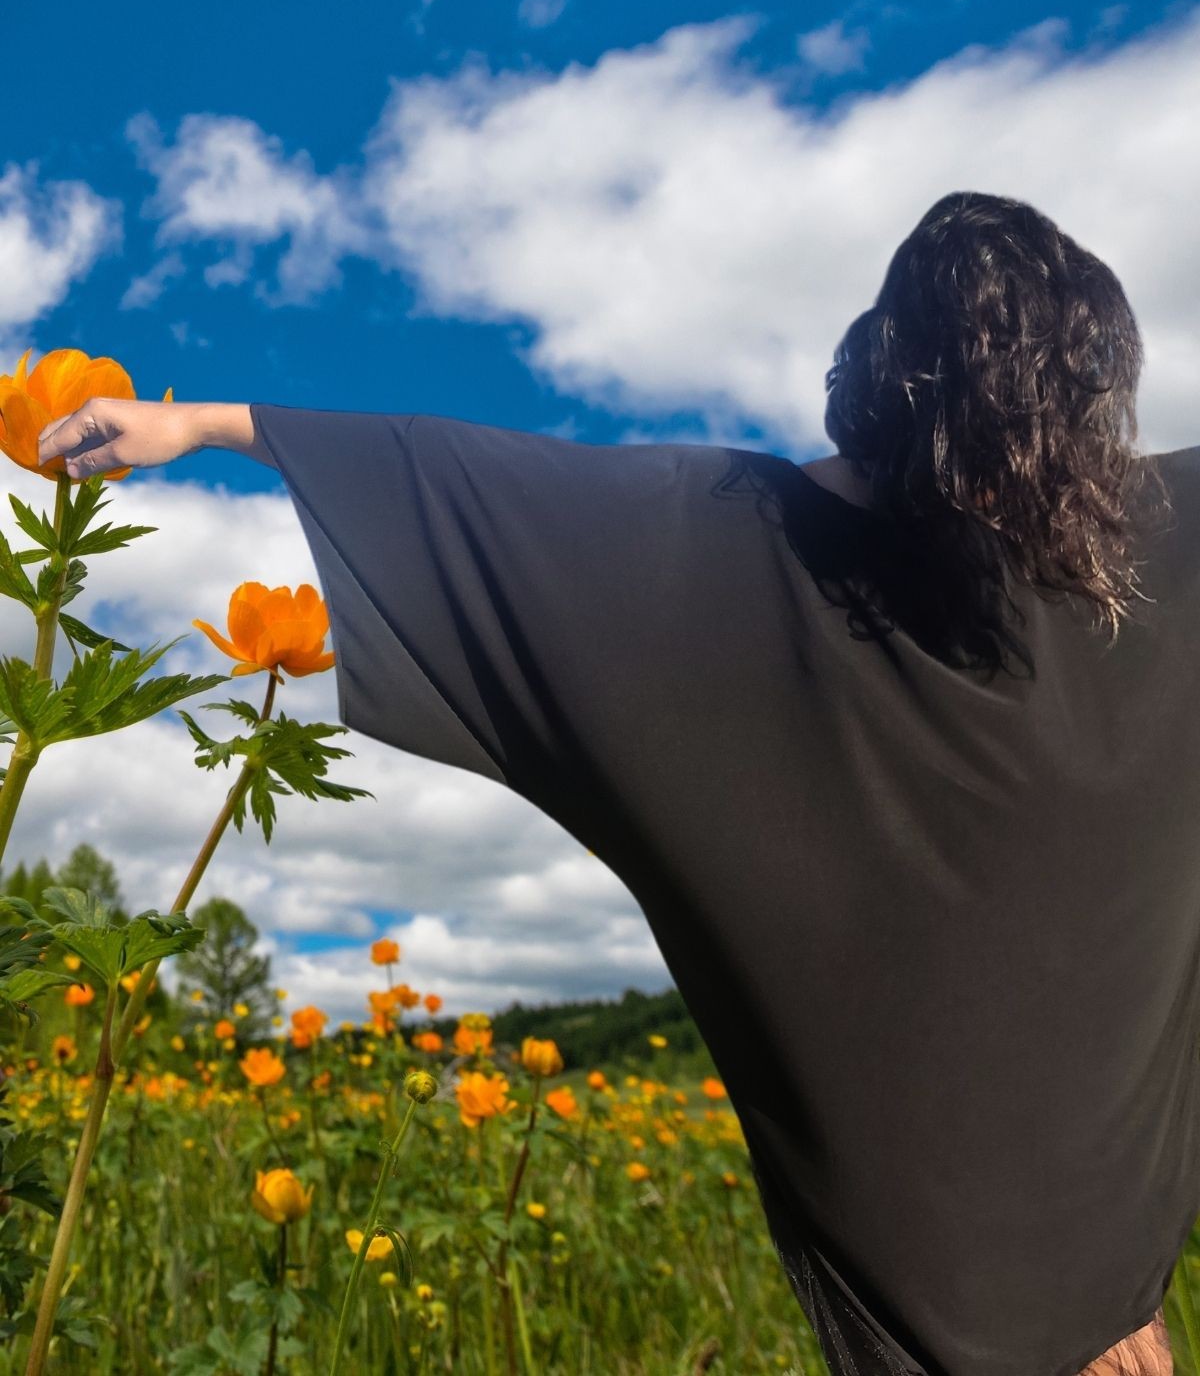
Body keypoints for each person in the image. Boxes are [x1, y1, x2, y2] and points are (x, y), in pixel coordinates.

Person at [35, 193, 1194, 1376]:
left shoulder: (1135, 546)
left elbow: (489, 489)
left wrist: (217, 428)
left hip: (1098, 1251)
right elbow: (483, 490)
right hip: (951, 1250)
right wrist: (214, 427)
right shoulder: (758, 545)